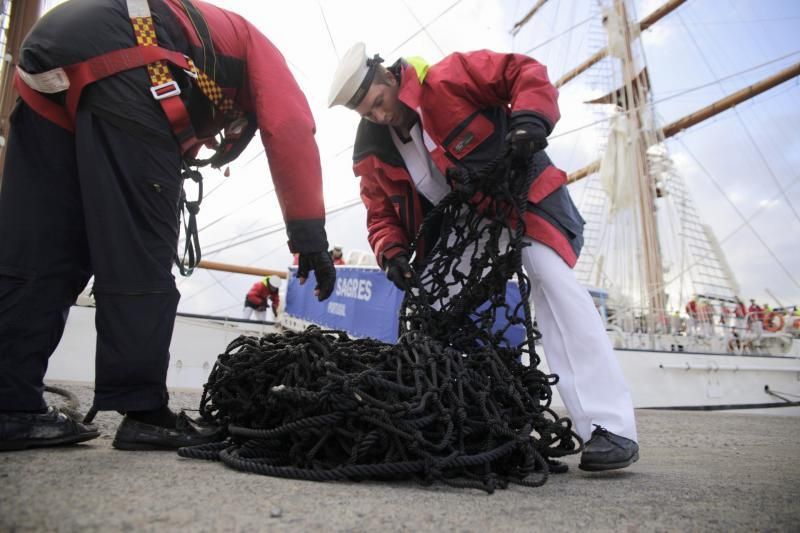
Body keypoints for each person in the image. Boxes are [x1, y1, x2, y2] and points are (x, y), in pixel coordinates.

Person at [0, 0, 337, 452]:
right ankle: (145, 414)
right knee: (140, 249)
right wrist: (310, 239)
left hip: (49, 51)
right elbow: (290, 125)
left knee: (43, 246)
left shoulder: (203, 44)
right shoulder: (258, 50)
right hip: (130, 59)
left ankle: (11, 408)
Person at [328, 43, 638, 472]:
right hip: (468, 225)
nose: (379, 116)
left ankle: (610, 428)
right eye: (367, 113)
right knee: (430, 309)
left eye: (379, 102)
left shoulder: (449, 77)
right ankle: (433, 415)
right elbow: (379, 212)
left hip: (523, 193)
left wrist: (531, 118)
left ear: (389, 76)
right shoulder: (371, 156)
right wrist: (393, 253)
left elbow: (523, 71)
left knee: (551, 281)